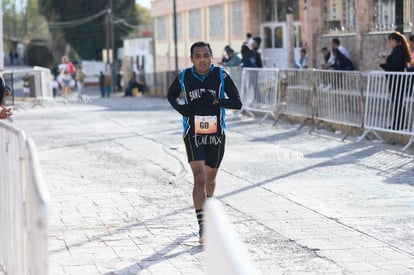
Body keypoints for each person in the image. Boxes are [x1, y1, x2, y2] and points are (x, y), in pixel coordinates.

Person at [167, 41, 242, 244]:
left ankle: (208, 207)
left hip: (217, 135)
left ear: (212, 57)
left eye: (206, 55)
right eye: (198, 56)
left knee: (210, 178)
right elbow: (171, 95)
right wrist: (182, 109)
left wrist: (218, 101)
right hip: (193, 133)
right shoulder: (184, 76)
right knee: (199, 178)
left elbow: (237, 102)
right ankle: (203, 227)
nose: (202, 60)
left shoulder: (221, 75)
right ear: (192, 59)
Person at [377, 31, 412, 130]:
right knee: (397, 102)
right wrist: (388, 58)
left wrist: (381, 64)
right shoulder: (398, 50)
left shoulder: (397, 51)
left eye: (390, 41)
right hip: (397, 80)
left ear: (393, 40)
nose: (390, 43)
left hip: (396, 80)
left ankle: (399, 124)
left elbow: (393, 67)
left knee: (397, 102)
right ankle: (399, 123)